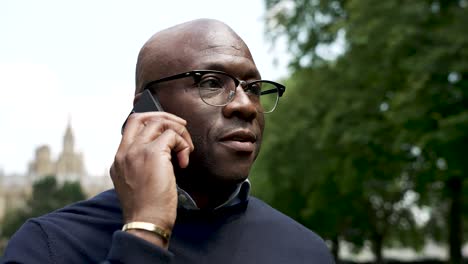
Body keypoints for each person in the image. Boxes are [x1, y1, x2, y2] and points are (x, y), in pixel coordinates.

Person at [2, 19, 334, 264]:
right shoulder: (47, 246)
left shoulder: (307, 251)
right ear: (147, 108)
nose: (245, 105)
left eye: (253, 88)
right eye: (211, 82)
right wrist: (145, 232)